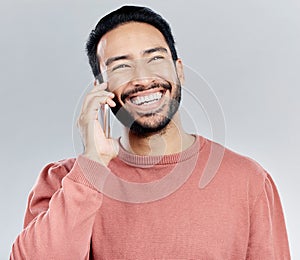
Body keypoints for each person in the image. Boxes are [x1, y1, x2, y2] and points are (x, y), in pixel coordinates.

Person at [10, 5, 290, 259]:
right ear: (100, 88)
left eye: (155, 58)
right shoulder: (64, 181)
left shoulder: (248, 180)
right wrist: (92, 167)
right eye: (121, 66)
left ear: (179, 71)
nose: (142, 78)